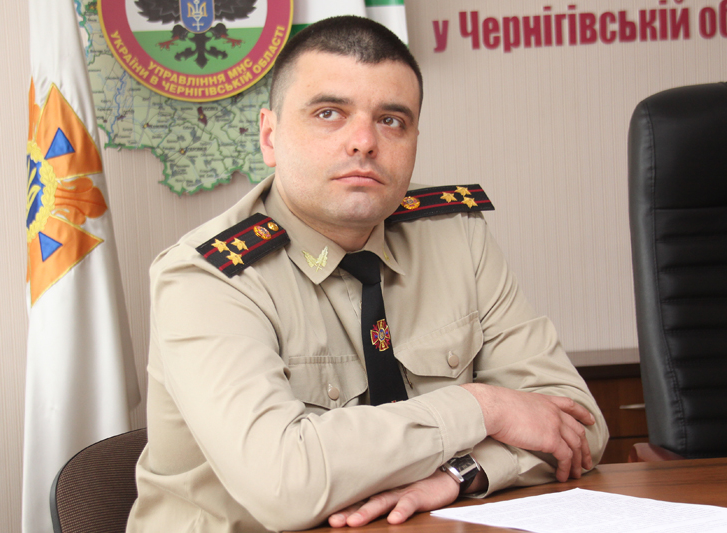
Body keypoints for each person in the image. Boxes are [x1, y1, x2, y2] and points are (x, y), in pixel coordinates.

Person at [127, 15, 608, 533]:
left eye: (391, 120)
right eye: (329, 113)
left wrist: (460, 473)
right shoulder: (207, 277)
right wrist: (482, 407)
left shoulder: (455, 236)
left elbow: (578, 425)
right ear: (269, 136)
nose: (364, 141)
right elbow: (285, 486)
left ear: (415, 138)